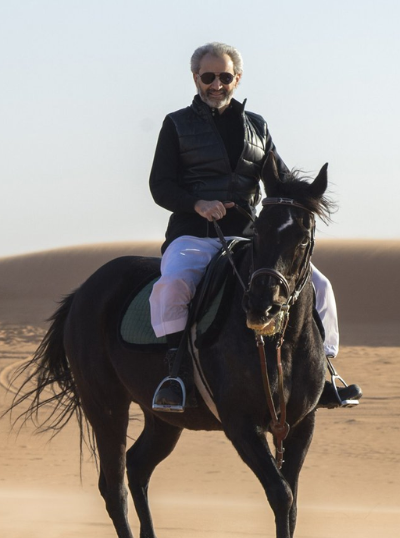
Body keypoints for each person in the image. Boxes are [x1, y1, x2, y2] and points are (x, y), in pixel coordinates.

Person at [148, 41, 361, 412]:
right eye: (209, 77)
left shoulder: (257, 126)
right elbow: (160, 185)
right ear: (195, 78)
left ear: (238, 78)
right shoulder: (176, 124)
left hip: (250, 237)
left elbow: (275, 178)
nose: (217, 85)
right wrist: (198, 204)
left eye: (225, 77)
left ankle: (324, 374)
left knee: (321, 287)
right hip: (194, 234)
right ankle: (176, 375)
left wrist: (297, 201)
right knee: (172, 285)